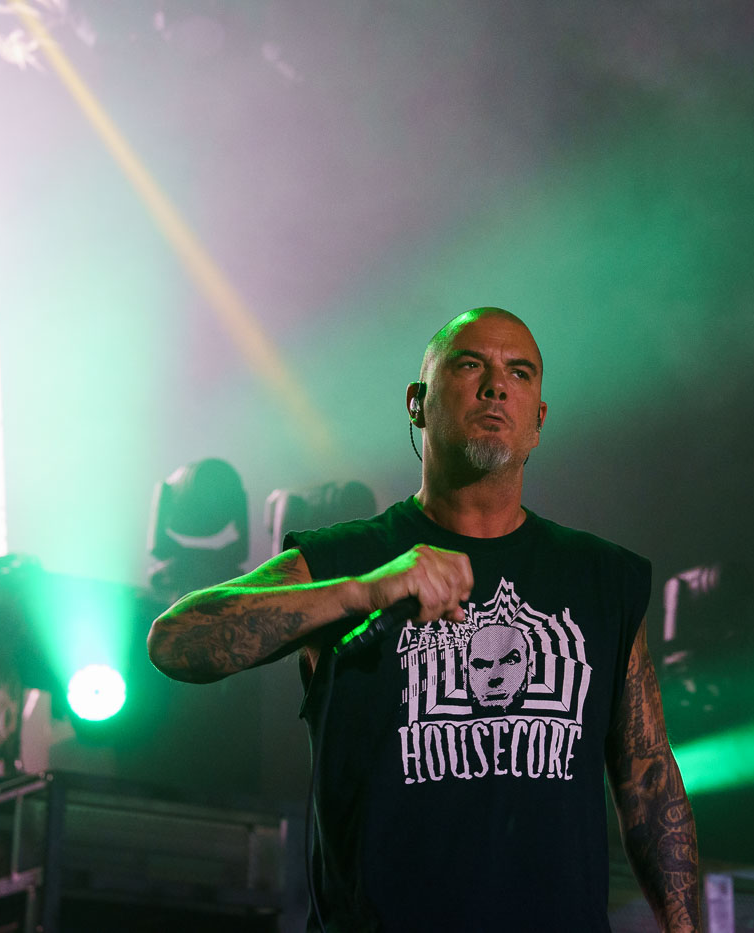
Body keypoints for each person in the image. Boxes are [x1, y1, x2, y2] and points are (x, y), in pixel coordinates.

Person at [148, 308, 699, 932]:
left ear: (538, 420)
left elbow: (648, 775)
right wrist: (366, 590)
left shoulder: (599, 578)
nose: (497, 386)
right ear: (417, 402)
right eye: (471, 365)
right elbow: (175, 642)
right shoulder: (345, 558)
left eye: (519, 373)